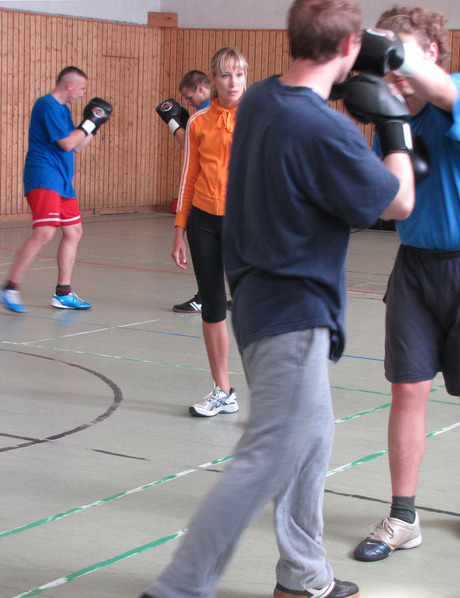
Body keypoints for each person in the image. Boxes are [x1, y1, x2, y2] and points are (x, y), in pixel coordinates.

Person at [139, 1, 415, 596]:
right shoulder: (325, 129)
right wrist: (394, 121)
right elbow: (399, 202)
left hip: (267, 305)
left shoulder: (262, 98)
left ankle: (302, 574)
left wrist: (344, 71)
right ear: (347, 51)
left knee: (312, 442)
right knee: (265, 457)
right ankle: (179, 587)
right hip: (292, 315)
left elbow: (301, 97)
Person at [353, 4, 460, 563]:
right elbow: (384, 199)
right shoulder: (388, 112)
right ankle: (403, 516)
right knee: (407, 391)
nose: (393, 63)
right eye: (388, 51)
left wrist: (387, 51)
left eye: (405, 50)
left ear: (434, 53)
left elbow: (442, 93)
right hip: (415, 267)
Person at [169, 47, 248, 417]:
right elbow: (188, 178)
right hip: (203, 221)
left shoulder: (258, 119)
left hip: (243, 222)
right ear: (213, 80)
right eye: (226, 75)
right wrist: (179, 229)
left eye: (240, 75)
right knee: (213, 305)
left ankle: (271, 393)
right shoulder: (198, 123)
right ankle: (223, 390)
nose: (234, 83)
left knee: (255, 306)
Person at [1, 66, 111, 313]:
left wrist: (95, 124)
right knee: (45, 233)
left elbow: (79, 146)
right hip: (44, 177)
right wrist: (89, 121)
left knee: (74, 231)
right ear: (69, 85)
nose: (83, 94)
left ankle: (63, 293)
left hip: (62, 182)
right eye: (81, 88)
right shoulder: (47, 105)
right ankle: (10, 287)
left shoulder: (63, 110)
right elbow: (66, 142)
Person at [157, 70, 233, 315]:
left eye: (189, 97)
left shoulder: (208, 115)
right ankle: (210, 296)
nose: (188, 102)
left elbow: (187, 146)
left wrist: (172, 122)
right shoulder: (202, 117)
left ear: (201, 89)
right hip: (207, 205)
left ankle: (208, 296)